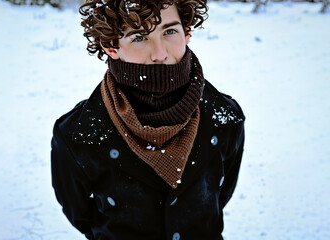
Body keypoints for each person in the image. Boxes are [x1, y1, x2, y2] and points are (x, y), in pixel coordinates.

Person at [51, 0, 245, 239]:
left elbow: (220, 194)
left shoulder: (225, 117)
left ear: (186, 32)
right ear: (111, 47)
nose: (160, 54)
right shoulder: (76, 134)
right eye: (140, 37)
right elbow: (81, 213)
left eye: (170, 31)